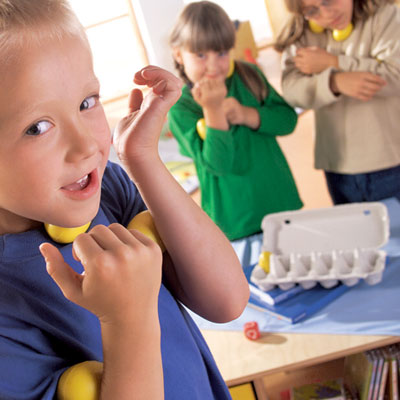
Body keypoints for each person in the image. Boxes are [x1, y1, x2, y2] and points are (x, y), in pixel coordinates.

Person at [0, 0, 250, 399]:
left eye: (87, 102)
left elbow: (227, 300)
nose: (85, 145)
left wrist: (141, 159)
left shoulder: (106, 189)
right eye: (39, 126)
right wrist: (127, 319)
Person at [168, 1, 303, 243]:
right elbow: (218, 164)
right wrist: (212, 110)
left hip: (281, 204)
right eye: (200, 55)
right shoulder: (181, 107)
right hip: (235, 222)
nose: (213, 65)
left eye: (221, 53)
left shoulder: (249, 74)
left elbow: (288, 121)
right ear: (178, 54)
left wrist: (247, 115)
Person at [275, 0, 400, 205]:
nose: (327, 13)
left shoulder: (385, 16)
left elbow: (395, 74)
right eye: (313, 10)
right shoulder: (302, 33)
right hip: (338, 167)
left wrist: (334, 62)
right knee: (352, 234)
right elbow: (292, 91)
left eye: (329, 1)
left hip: (389, 163)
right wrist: (334, 82)